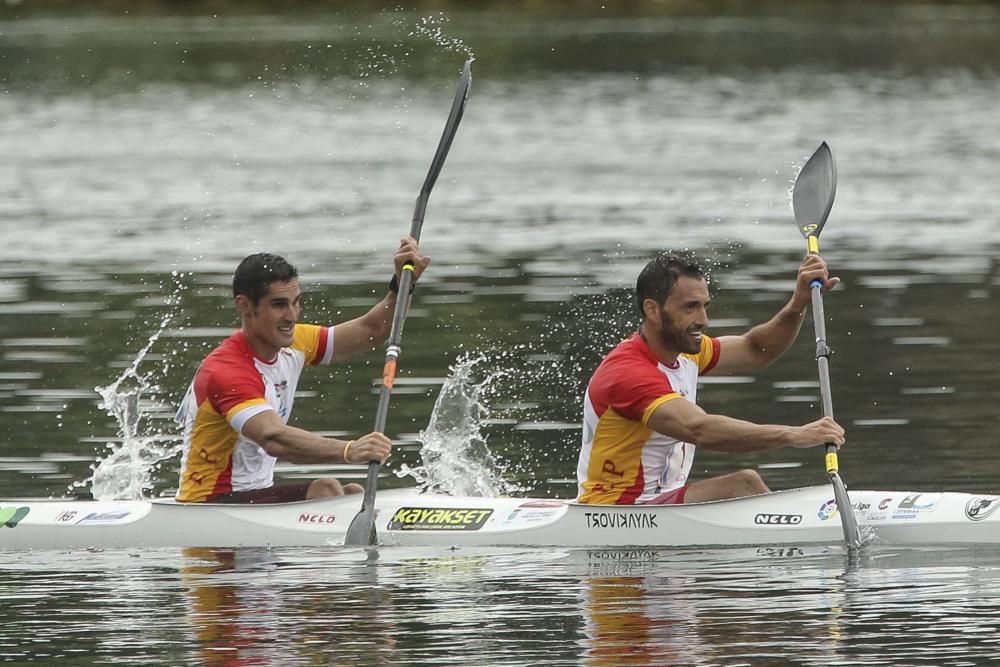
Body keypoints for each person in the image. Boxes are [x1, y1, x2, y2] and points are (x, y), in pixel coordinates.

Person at [576, 252, 846, 505]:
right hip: (616, 511)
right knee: (743, 484)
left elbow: (756, 350)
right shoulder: (629, 374)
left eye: (705, 306)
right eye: (691, 307)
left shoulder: (686, 352)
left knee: (743, 485)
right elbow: (699, 429)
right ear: (652, 310)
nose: (703, 320)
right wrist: (793, 435)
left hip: (660, 504)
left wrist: (798, 302)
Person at [174, 237, 430, 503]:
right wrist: (349, 450)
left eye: (296, 302)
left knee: (352, 493)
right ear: (245, 306)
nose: (292, 316)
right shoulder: (227, 371)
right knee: (327, 489)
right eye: (279, 305)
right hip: (209, 504)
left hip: (252, 498)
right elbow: (273, 438)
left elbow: (372, 331)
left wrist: (401, 287)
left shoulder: (295, 342)